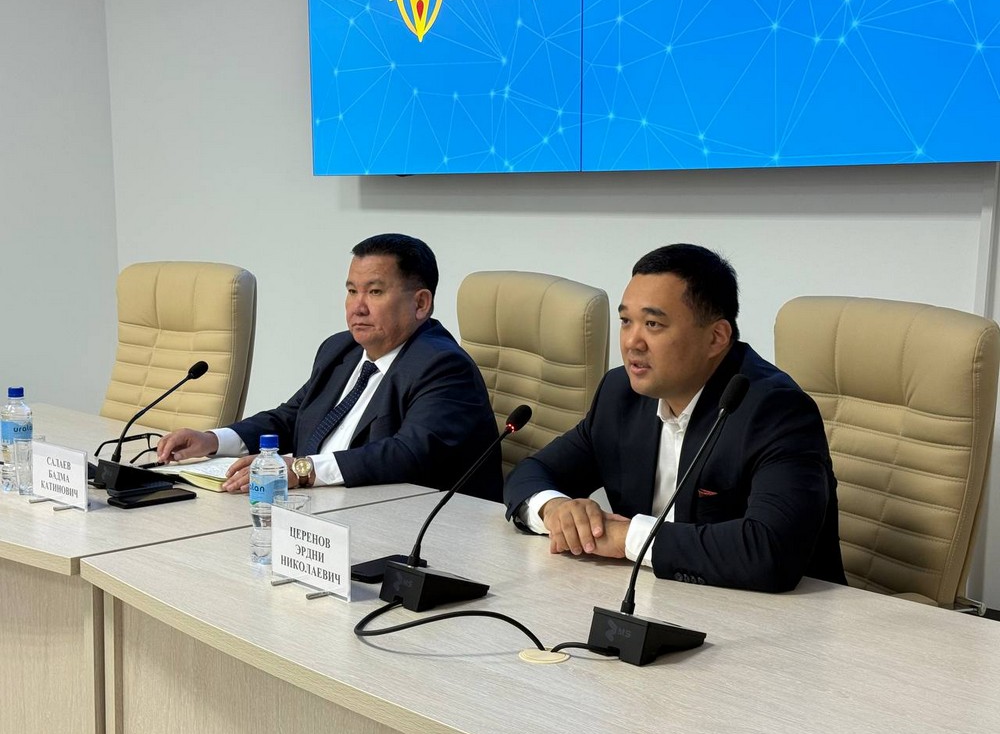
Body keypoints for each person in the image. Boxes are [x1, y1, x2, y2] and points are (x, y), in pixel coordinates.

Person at [503, 244, 846, 592]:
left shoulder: (775, 410)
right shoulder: (620, 394)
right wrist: (554, 508)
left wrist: (626, 537)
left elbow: (771, 551)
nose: (632, 342)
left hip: (773, 613)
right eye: (626, 321)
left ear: (716, 337)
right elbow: (531, 473)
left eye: (653, 324)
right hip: (650, 594)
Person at [157, 233, 502, 501]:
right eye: (351, 291)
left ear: (421, 303)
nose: (357, 307)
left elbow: (408, 454)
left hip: (402, 525)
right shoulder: (341, 349)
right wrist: (212, 440)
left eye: (375, 292)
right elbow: (290, 418)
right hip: (321, 508)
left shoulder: (442, 366)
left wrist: (303, 469)